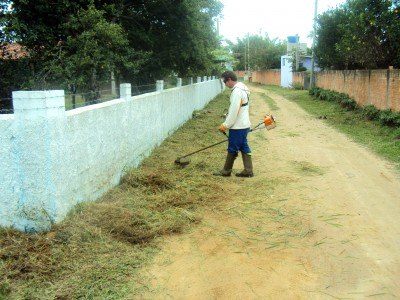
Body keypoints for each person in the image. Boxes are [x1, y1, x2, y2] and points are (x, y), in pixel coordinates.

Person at [214, 71, 253, 177]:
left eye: (224, 81)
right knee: (244, 147)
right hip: (244, 125)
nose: (224, 84)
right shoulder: (242, 87)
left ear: (229, 80)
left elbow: (234, 112)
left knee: (232, 148)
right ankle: (248, 170)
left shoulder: (236, 92)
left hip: (238, 126)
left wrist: (225, 125)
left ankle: (226, 171)